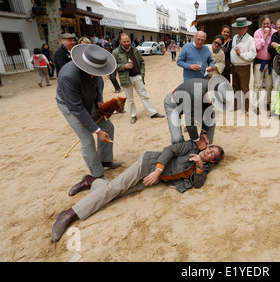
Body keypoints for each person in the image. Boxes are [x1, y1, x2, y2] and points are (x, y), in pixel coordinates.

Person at [50, 140, 225, 243]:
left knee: (116, 193)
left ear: (213, 161)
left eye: (211, 154)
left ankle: (92, 181)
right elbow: (169, 151)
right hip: (147, 165)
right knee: (114, 188)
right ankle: (69, 214)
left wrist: (200, 167)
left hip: (155, 180)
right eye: (210, 149)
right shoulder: (191, 147)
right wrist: (157, 170)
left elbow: (197, 184)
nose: (207, 152)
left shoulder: (204, 167)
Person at [56, 44, 122, 185]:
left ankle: (105, 160)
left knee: (108, 127)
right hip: (71, 106)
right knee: (87, 140)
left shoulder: (97, 66)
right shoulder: (68, 76)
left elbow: (98, 85)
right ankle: (97, 174)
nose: (98, 74)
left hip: (89, 99)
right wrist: (97, 131)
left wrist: (99, 100)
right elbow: (77, 109)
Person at [164, 76, 233, 150]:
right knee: (177, 139)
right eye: (214, 101)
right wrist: (197, 141)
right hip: (174, 106)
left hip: (193, 105)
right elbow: (189, 122)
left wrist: (204, 132)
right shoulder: (194, 94)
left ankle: (205, 147)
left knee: (211, 122)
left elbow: (208, 115)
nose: (214, 104)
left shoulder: (211, 91)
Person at [112, 33, 165, 124]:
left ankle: (153, 113)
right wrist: (124, 66)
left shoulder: (135, 50)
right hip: (126, 78)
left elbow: (141, 62)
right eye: (124, 41)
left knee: (144, 95)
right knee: (130, 99)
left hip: (137, 77)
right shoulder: (115, 52)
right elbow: (113, 66)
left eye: (128, 41)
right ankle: (133, 116)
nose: (126, 43)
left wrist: (142, 75)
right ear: (120, 41)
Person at [230, 17, 257, 112]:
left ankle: (245, 108)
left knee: (244, 87)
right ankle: (236, 105)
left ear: (246, 28)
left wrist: (241, 54)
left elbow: (253, 54)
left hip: (244, 66)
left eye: (241, 28)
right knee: (235, 87)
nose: (238, 30)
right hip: (234, 66)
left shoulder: (250, 39)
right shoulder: (234, 37)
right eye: (237, 28)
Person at [253, 15, 277, 115]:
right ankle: (256, 105)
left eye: (267, 23)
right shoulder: (258, 32)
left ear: (271, 24)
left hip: (270, 62)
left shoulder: (275, 33)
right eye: (264, 24)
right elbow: (257, 47)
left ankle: (268, 102)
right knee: (257, 85)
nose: (265, 25)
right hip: (259, 62)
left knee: (269, 85)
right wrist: (265, 35)